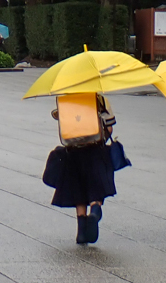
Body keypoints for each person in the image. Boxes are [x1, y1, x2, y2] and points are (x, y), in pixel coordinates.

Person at [49, 93, 117, 244]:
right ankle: (94, 212)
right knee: (96, 188)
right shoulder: (98, 99)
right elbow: (110, 127)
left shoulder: (66, 100)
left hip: (73, 151)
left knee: (78, 190)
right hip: (95, 150)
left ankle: (81, 231)